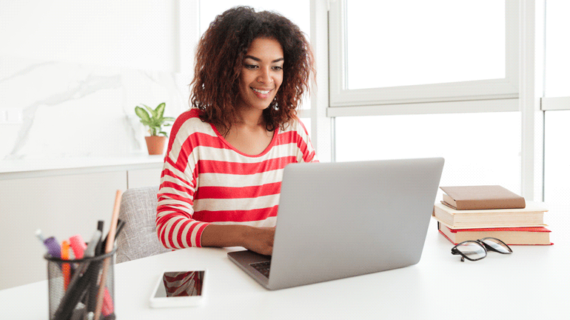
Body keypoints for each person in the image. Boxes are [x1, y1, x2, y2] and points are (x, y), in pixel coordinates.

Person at [156, 7, 317, 256]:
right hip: (211, 277)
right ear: (226, 69)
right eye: (252, 66)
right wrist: (246, 236)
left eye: (276, 67)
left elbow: (319, 203)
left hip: (274, 268)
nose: (267, 78)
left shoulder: (292, 130)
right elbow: (168, 227)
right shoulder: (193, 131)